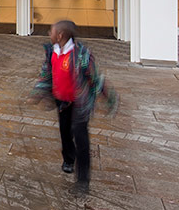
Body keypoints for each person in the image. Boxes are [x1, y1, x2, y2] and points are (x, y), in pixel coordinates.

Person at [33, 19, 117, 193]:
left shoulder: (81, 54)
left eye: (51, 31)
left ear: (60, 35)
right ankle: (69, 159)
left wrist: (108, 97)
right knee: (65, 132)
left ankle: (83, 180)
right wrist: (38, 93)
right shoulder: (52, 52)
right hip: (61, 101)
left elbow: (94, 77)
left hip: (80, 104)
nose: (49, 34)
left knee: (81, 139)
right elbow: (46, 73)